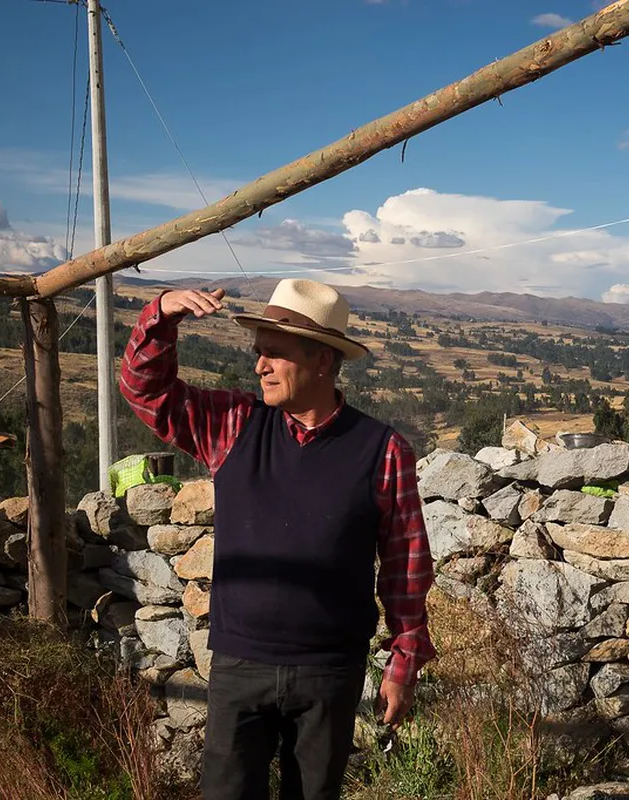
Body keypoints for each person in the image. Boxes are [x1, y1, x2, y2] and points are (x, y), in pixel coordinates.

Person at [120, 278, 436, 799]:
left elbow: (405, 566)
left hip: (329, 672)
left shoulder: (382, 450)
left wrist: (403, 662)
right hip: (240, 664)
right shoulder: (236, 424)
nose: (259, 366)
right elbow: (146, 392)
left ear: (322, 361)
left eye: (275, 354)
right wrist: (160, 317)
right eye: (259, 353)